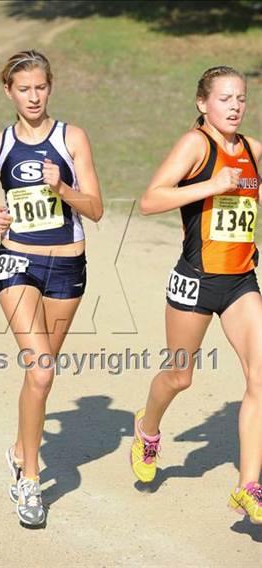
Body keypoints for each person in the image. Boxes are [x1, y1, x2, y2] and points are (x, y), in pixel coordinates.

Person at [0, 50, 103, 526]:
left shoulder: (72, 137)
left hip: (67, 269)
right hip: (16, 261)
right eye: (24, 88)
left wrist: (62, 188)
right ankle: (29, 480)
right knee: (40, 373)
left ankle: (21, 446)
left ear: (50, 86)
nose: (34, 96)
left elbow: (97, 208)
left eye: (40, 87)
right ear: (9, 92)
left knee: (42, 374)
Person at [130, 66, 261, 525]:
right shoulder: (195, 145)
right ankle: (147, 428)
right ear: (203, 104)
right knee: (179, 377)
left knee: (260, 378)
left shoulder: (252, 151)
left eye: (241, 98)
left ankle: (249, 486)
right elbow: (149, 201)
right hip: (196, 279)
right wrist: (212, 185)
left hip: (242, 281)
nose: (235, 106)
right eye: (225, 98)